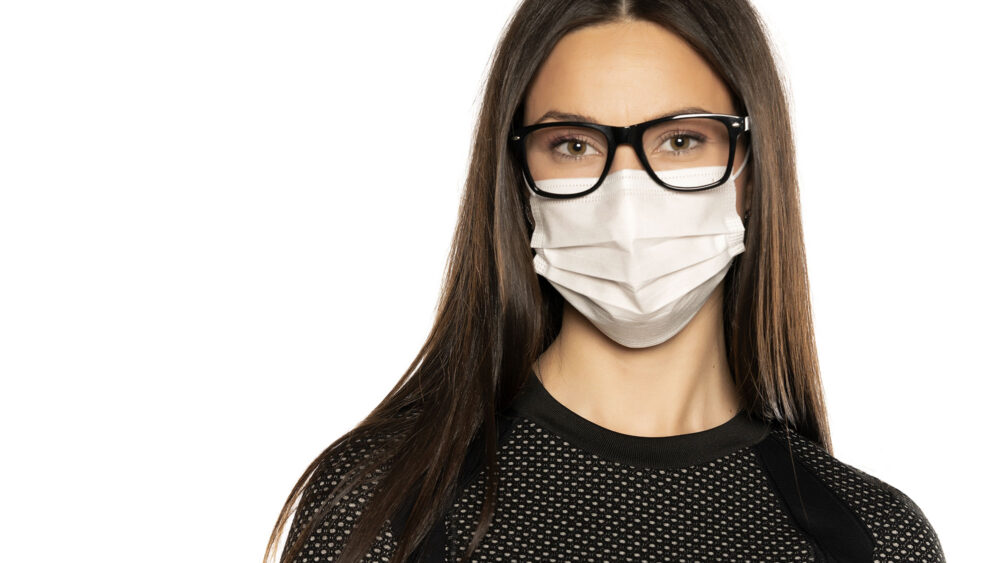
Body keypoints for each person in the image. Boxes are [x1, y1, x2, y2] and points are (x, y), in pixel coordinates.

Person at [265, 1, 946, 561]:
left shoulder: (873, 538)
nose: (626, 197)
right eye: (573, 144)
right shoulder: (384, 504)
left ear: (749, 168)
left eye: (681, 140)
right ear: (519, 179)